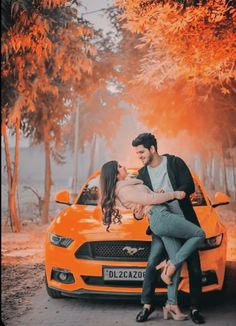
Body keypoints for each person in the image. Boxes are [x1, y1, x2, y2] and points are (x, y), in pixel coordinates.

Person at [100, 160, 205, 321]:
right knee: (198, 234)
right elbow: (148, 200)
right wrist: (174, 194)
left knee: (174, 258)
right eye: (120, 166)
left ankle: (171, 304)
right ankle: (170, 266)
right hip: (161, 216)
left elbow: (146, 199)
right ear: (115, 174)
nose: (124, 166)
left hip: (161, 214)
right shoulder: (123, 190)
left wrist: (155, 195)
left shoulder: (129, 184)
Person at [132, 132, 206, 324]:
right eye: (137, 153)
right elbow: (139, 203)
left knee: (194, 268)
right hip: (162, 224)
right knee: (152, 262)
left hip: (183, 220)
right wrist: (142, 208)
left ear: (152, 149)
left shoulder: (174, 162)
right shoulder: (142, 175)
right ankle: (147, 305)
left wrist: (171, 194)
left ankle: (195, 308)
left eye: (141, 152)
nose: (139, 156)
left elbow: (188, 185)